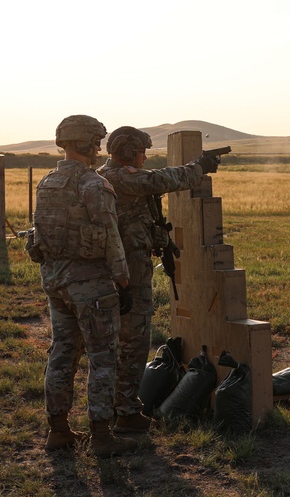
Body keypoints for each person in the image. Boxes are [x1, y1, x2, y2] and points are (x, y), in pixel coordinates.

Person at [97, 126, 221, 435]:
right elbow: (161, 180)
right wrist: (199, 167)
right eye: (140, 153)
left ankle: (115, 405)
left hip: (120, 263)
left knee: (121, 338)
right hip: (128, 267)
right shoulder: (119, 177)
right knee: (134, 337)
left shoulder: (109, 174)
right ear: (126, 152)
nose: (143, 158)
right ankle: (124, 411)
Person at [26, 115, 135, 457]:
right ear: (87, 143)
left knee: (61, 353)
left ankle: (57, 430)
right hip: (91, 285)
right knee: (102, 356)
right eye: (96, 142)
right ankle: (101, 435)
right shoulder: (92, 184)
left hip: (56, 282)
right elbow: (109, 236)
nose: (99, 148)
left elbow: (38, 233)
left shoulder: (47, 182)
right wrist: (123, 279)